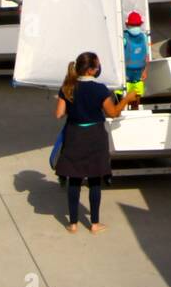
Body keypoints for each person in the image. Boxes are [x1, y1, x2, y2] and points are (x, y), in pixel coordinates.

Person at [53, 52, 136, 233]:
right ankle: (95, 224)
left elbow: (59, 114)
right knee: (94, 180)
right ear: (91, 70)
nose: (99, 68)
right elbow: (113, 113)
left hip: (74, 134)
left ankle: (73, 224)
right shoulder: (100, 90)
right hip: (94, 136)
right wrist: (126, 100)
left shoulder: (67, 87)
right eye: (97, 66)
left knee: (74, 180)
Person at [122, 11, 149, 109]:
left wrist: (145, 70)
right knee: (130, 100)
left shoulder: (142, 37)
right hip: (132, 73)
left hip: (132, 73)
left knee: (129, 100)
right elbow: (147, 57)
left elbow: (146, 56)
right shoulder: (142, 37)